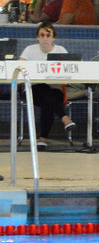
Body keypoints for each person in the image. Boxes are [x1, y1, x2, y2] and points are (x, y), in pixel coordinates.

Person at [20, 22, 75, 150]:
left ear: (53, 38)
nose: (45, 38)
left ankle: (43, 139)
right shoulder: (30, 50)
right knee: (45, 91)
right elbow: (20, 67)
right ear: (37, 37)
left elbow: (69, 70)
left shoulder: (60, 50)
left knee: (50, 97)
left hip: (55, 89)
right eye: (42, 35)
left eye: (48, 35)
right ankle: (65, 118)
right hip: (33, 90)